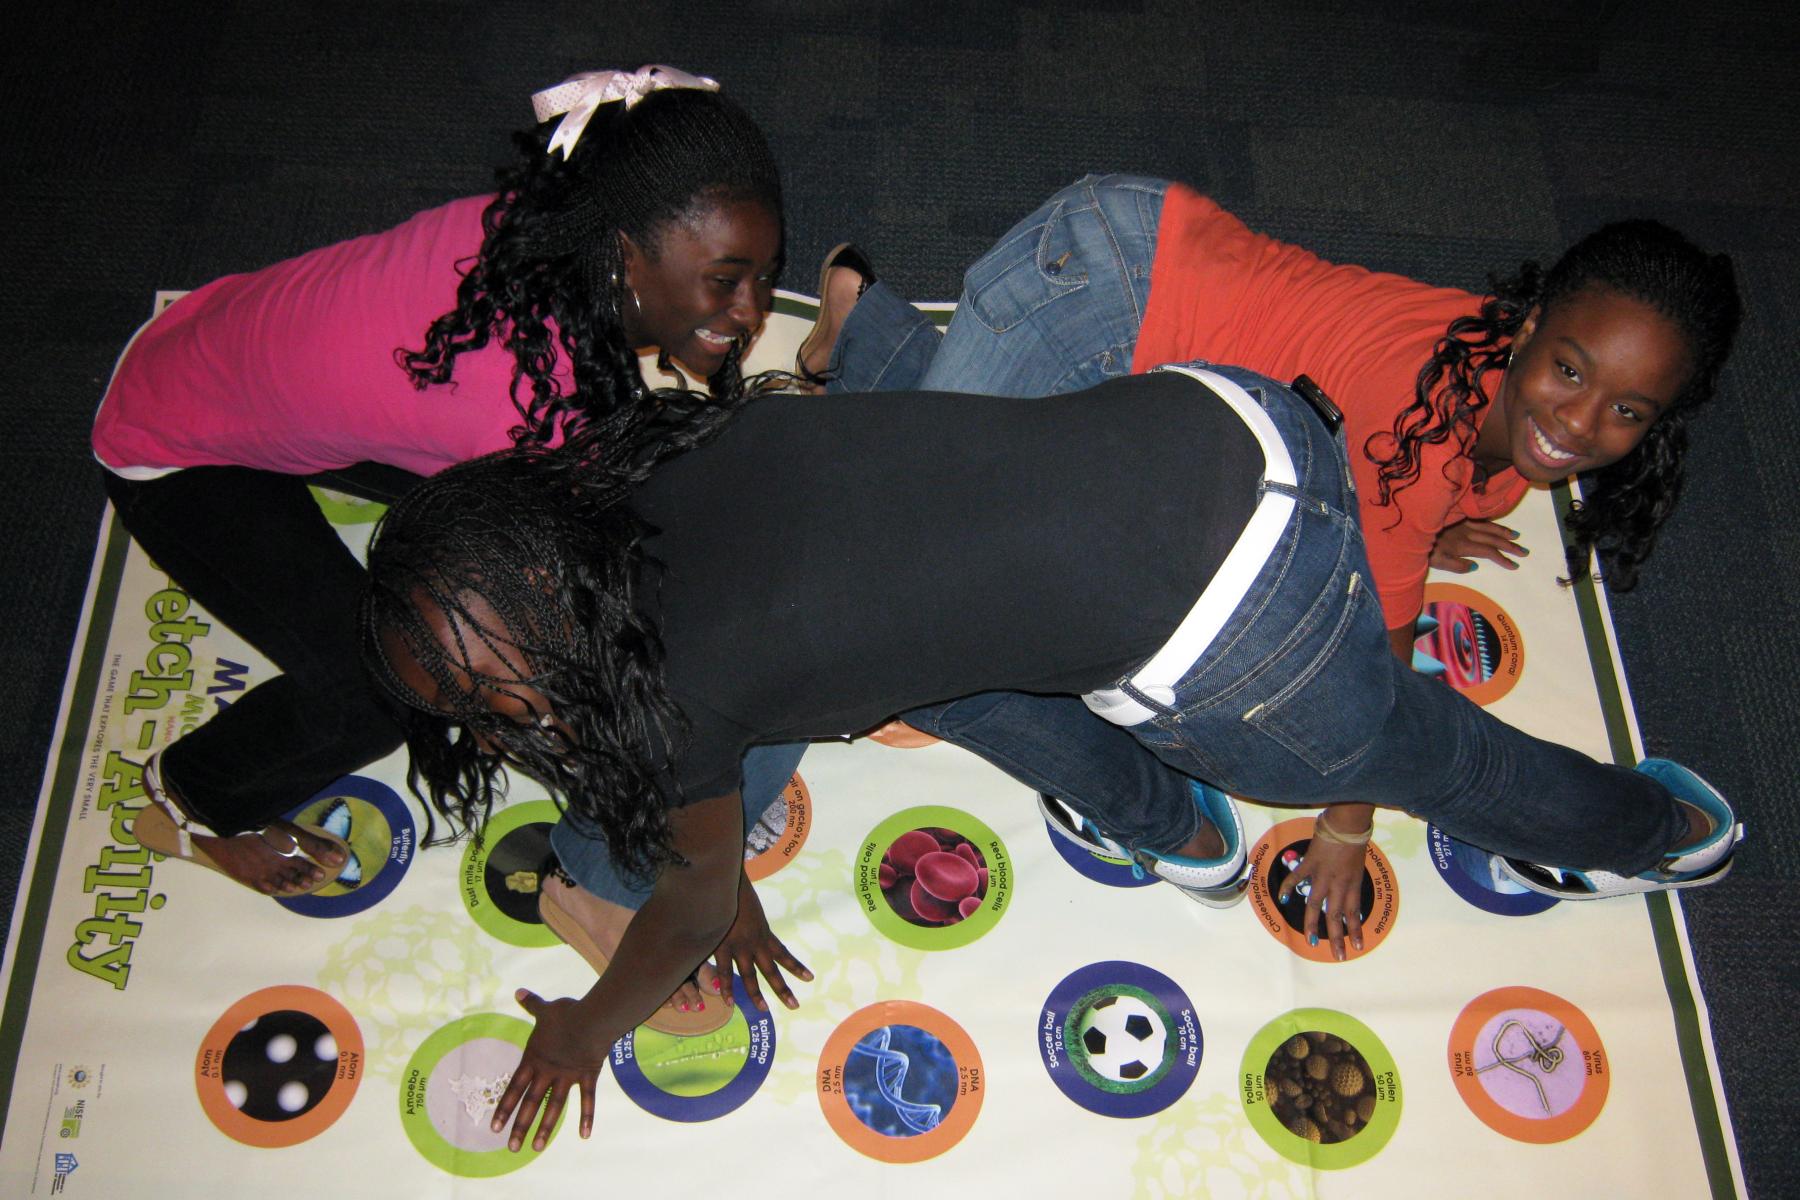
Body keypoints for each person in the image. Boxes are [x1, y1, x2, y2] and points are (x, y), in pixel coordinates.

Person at [360, 364, 1743, 1152]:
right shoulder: (654, 480)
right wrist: (709, 841)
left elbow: (685, 902)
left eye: (490, 697)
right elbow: (811, 654)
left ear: (538, 604)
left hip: (1247, 618)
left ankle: (1651, 838)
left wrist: (586, 1022)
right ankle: (1174, 826)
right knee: (945, 673)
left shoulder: (672, 693)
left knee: (1440, 760)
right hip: (1222, 423)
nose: (493, 731)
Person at [802, 174, 1741, 952]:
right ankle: (874, 344)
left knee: (943, 526)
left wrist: (1423, 520)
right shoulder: (1416, 418)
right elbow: (1372, 698)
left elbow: (1406, 480)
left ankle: (863, 330)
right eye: (1570, 373)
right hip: (1086, 301)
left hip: (1151, 273)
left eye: (1627, 410)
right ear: (1529, 326)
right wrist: (1346, 821)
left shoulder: (1476, 389)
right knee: (915, 604)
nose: (1578, 424)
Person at [89, 67, 792, 1015]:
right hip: (168, 449)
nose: (751, 313)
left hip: (215, 338)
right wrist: (702, 847)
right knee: (385, 686)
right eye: (725, 282)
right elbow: (571, 664)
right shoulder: (510, 402)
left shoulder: (546, 228)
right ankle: (190, 796)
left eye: (760, 277)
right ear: (624, 257)